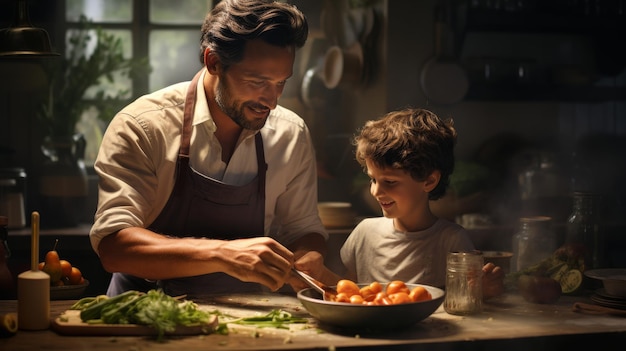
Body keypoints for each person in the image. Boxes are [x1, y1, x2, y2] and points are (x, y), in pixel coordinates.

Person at [89, 0, 328, 297]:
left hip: (251, 316)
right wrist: (223, 255)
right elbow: (114, 247)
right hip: (143, 315)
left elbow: (303, 229)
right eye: (257, 81)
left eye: (281, 83)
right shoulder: (142, 126)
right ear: (213, 61)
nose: (272, 100)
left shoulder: (291, 134)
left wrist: (309, 255)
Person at [311, 108, 504, 299]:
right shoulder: (364, 234)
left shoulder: (451, 241)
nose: (376, 191)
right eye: (373, 179)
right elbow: (349, 294)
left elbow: (466, 296)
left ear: (429, 181)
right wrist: (319, 273)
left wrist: (484, 290)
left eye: (390, 181)